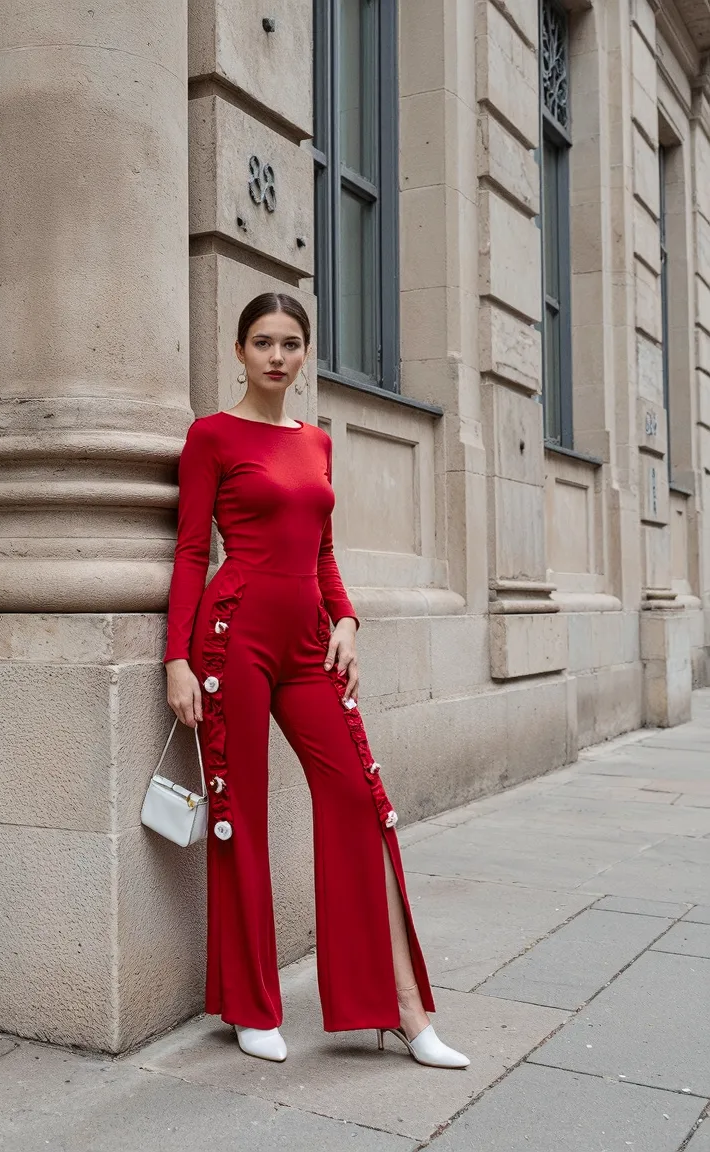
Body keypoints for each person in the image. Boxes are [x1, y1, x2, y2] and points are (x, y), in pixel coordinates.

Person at [163, 292, 469, 1069]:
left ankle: (400, 1007)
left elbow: (325, 553)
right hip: (232, 640)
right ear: (239, 351)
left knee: (362, 805)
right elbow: (193, 553)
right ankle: (251, 1005)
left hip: (310, 644)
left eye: (290, 343)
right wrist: (176, 659)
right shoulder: (211, 437)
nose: (276, 355)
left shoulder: (316, 443)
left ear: (305, 355)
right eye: (262, 341)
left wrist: (348, 621)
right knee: (244, 816)